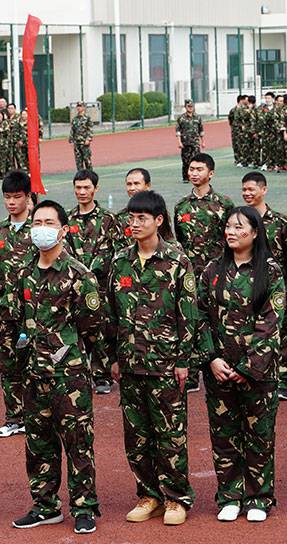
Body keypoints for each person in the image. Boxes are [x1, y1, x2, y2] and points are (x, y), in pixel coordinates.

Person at [11, 200, 102, 535]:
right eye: (37, 223)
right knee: (38, 443)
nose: (41, 229)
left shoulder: (79, 274)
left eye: (49, 223)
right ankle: (45, 505)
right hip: (34, 374)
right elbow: (18, 319)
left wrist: (67, 352)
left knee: (78, 442)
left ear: (64, 230)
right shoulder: (24, 273)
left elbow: (91, 325)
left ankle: (84, 507)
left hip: (69, 375)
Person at [108, 190, 196, 526]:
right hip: (130, 363)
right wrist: (113, 357)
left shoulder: (177, 261)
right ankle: (149, 495)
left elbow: (188, 314)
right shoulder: (120, 261)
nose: (134, 224)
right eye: (131, 218)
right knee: (137, 436)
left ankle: (176, 497)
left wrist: (183, 360)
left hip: (165, 364)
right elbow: (111, 314)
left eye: (142, 218)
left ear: (159, 220)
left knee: (170, 434)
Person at [196, 206, 286, 523]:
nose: (231, 232)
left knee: (259, 436)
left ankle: (259, 497)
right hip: (219, 369)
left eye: (239, 227)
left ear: (255, 232)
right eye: (228, 226)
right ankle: (230, 495)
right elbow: (200, 316)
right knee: (224, 436)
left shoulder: (270, 271)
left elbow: (271, 323)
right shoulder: (212, 269)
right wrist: (211, 358)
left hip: (258, 373)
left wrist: (248, 367)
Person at [173, 153, 235, 391]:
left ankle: (220, 365)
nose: (194, 173)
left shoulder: (224, 204)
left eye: (199, 169)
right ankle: (190, 373)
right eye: (191, 169)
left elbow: (231, 239)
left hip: (217, 273)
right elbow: (180, 241)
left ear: (211, 173)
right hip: (189, 274)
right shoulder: (181, 206)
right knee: (189, 319)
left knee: (217, 318)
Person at [0, 170, 35, 438]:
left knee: (35, 365)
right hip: (4, 312)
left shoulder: (39, 230)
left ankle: (38, 418)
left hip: (34, 313)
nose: (11, 202)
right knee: (8, 366)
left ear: (28, 197)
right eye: (7, 197)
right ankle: (14, 418)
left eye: (17, 197)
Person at [242, 172, 287, 400]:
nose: (247, 193)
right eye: (244, 190)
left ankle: (284, 379)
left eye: (251, 189)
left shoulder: (280, 221)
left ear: (264, 190)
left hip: (274, 286)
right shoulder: (240, 219)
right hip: (246, 286)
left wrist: (283, 280)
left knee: (281, 331)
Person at [66, 169, 118, 395]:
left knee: (101, 328)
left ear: (96, 189)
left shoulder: (108, 219)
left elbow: (112, 250)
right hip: (74, 284)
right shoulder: (67, 218)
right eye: (78, 187)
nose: (82, 192)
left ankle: (101, 374)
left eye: (87, 187)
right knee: (75, 326)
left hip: (101, 284)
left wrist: (93, 272)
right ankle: (78, 371)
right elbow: (64, 250)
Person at [112, 168, 153, 253]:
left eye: (136, 184)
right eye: (129, 184)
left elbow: (168, 239)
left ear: (148, 186)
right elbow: (118, 247)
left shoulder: (157, 212)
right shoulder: (120, 217)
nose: (132, 188)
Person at [176, 99, 205, 182]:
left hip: (195, 143)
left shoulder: (198, 118)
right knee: (186, 161)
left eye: (192, 106)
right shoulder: (181, 118)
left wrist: (203, 142)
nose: (190, 108)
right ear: (185, 107)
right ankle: (186, 177)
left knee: (196, 160)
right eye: (188, 106)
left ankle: (196, 176)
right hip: (185, 143)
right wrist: (179, 142)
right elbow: (178, 132)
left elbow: (201, 131)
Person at [69, 101, 93, 171]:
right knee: (78, 161)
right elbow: (72, 130)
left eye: (80, 106)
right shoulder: (75, 119)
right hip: (77, 143)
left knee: (87, 160)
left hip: (84, 142)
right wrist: (71, 140)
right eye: (78, 106)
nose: (78, 108)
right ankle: (80, 175)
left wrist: (88, 139)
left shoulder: (87, 118)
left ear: (84, 107)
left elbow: (90, 129)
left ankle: (90, 174)